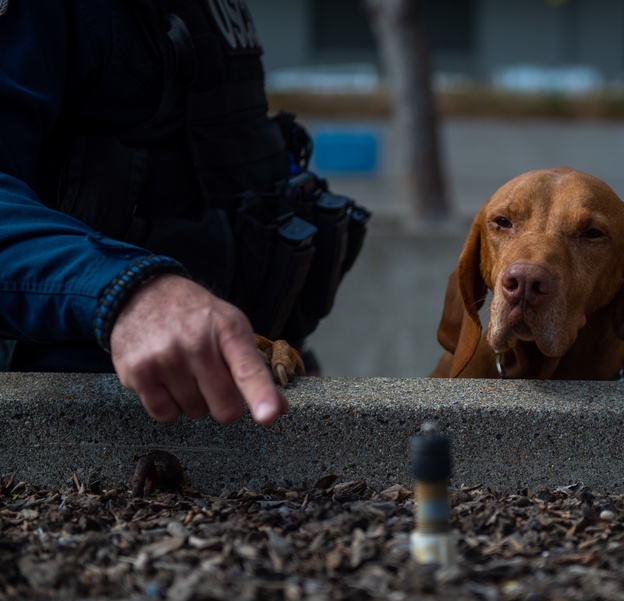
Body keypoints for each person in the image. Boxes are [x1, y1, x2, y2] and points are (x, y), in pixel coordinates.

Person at [0, 1, 366, 426]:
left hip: (242, 413)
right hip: (81, 432)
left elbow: (231, 189)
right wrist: (128, 294)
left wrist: (288, 351)